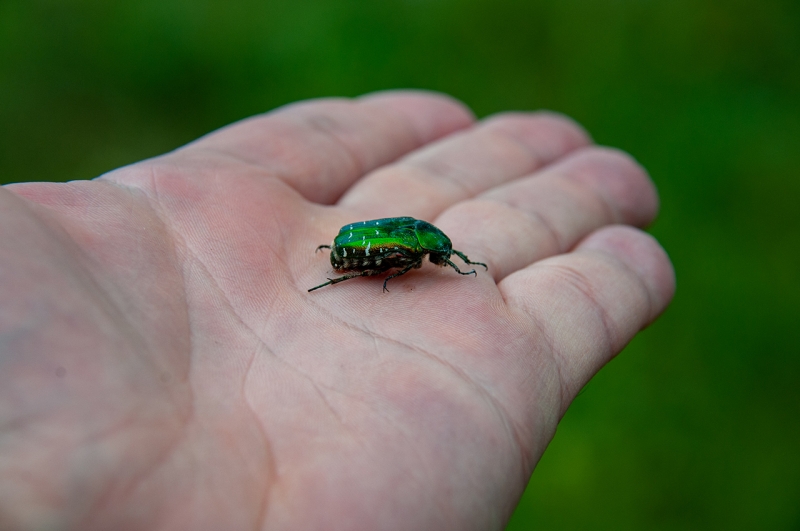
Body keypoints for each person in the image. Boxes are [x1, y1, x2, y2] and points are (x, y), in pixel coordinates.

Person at [0, 91, 674, 530]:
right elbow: (402, 253)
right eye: (441, 258)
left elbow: (437, 254)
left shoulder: (430, 247)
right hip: (349, 252)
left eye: (440, 259)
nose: (440, 264)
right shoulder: (406, 250)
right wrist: (367, 269)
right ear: (429, 252)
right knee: (384, 260)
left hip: (356, 244)